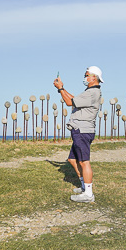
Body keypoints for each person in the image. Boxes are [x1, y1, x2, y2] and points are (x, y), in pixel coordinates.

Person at [54, 66, 104, 203]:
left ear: (94, 77)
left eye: (87, 75)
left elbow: (69, 101)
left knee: (84, 161)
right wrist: (62, 89)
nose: (85, 77)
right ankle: (84, 186)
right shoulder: (89, 92)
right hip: (79, 130)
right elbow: (74, 99)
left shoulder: (92, 93)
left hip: (83, 130)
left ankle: (88, 194)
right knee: (72, 159)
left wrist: (60, 89)